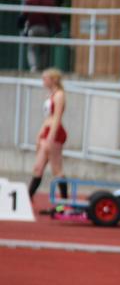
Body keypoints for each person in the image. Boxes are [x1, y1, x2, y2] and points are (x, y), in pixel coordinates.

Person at [28, 68, 68, 203]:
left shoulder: (59, 95)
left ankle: (64, 201)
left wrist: (51, 136)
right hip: (47, 131)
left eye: (45, 79)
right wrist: (40, 134)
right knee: (38, 168)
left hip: (54, 133)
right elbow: (48, 118)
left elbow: (57, 117)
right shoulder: (51, 95)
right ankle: (28, 197)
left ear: (53, 80)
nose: (43, 81)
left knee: (57, 169)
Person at [22, 0, 61, 72]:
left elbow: (24, 15)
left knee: (31, 48)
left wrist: (20, 24)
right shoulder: (50, 2)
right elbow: (55, 17)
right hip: (45, 28)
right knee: (44, 49)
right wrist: (58, 30)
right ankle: (42, 68)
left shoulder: (30, 1)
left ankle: (33, 67)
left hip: (33, 28)